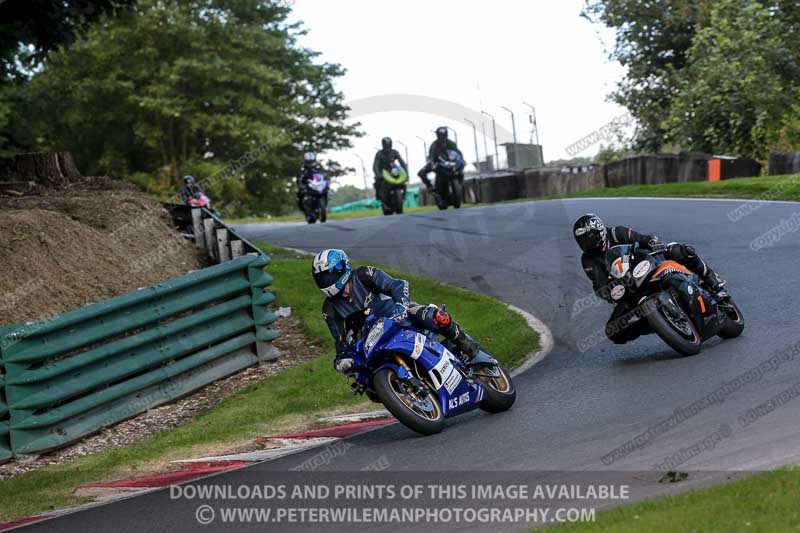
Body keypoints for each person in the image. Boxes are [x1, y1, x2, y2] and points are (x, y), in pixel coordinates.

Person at [311, 249, 482, 375]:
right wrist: (341, 360)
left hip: (400, 316)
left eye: (329, 275)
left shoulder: (363, 275)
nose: (327, 281)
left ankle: (466, 345)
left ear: (342, 267)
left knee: (435, 317)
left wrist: (401, 305)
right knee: (367, 383)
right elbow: (340, 340)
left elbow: (397, 285)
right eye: (322, 278)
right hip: (375, 342)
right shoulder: (330, 309)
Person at [573, 213, 726, 344]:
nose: (585, 244)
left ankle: (712, 279)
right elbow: (598, 284)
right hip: (629, 289)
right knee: (613, 331)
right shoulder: (588, 260)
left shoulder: (615, 233)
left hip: (648, 265)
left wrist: (652, 243)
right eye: (581, 241)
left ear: (599, 231)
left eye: (588, 238)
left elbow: (641, 238)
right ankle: (655, 322)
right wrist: (607, 292)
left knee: (681, 251)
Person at [417, 127, 465, 208]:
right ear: (438, 135)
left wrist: (462, 160)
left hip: (450, 164)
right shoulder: (434, 144)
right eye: (440, 135)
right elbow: (431, 155)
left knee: (461, 169)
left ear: (446, 135)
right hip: (438, 164)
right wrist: (432, 163)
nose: (442, 137)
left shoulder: (451, 143)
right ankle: (431, 188)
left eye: (444, 135)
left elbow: (458, 152)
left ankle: (459, 186)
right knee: (421, 172)